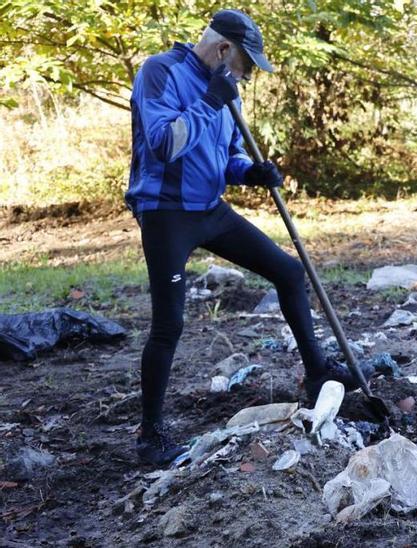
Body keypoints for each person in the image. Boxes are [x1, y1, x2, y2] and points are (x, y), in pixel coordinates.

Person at [127, 10, 370, 466]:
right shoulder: (159, 72)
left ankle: (318, 373)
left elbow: (226, 155)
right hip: (166, 214)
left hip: (211, 210)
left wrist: (250, 172)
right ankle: (150, 436)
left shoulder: (225, 91)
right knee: (168, 325)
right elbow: (163, 143)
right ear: (222, 50)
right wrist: (212, 100)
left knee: (288, 271)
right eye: (245, 64)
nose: (248, 74)